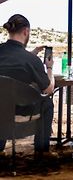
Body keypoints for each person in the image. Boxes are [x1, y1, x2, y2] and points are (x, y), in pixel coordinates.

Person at [0, 14, 55, 158]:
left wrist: (33, 53)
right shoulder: (31, 60)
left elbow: (12, 60)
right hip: (22, 112)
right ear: (26, 32)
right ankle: (41, 151)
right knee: (47, 103)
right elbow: (48, 89)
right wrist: (49, 68)